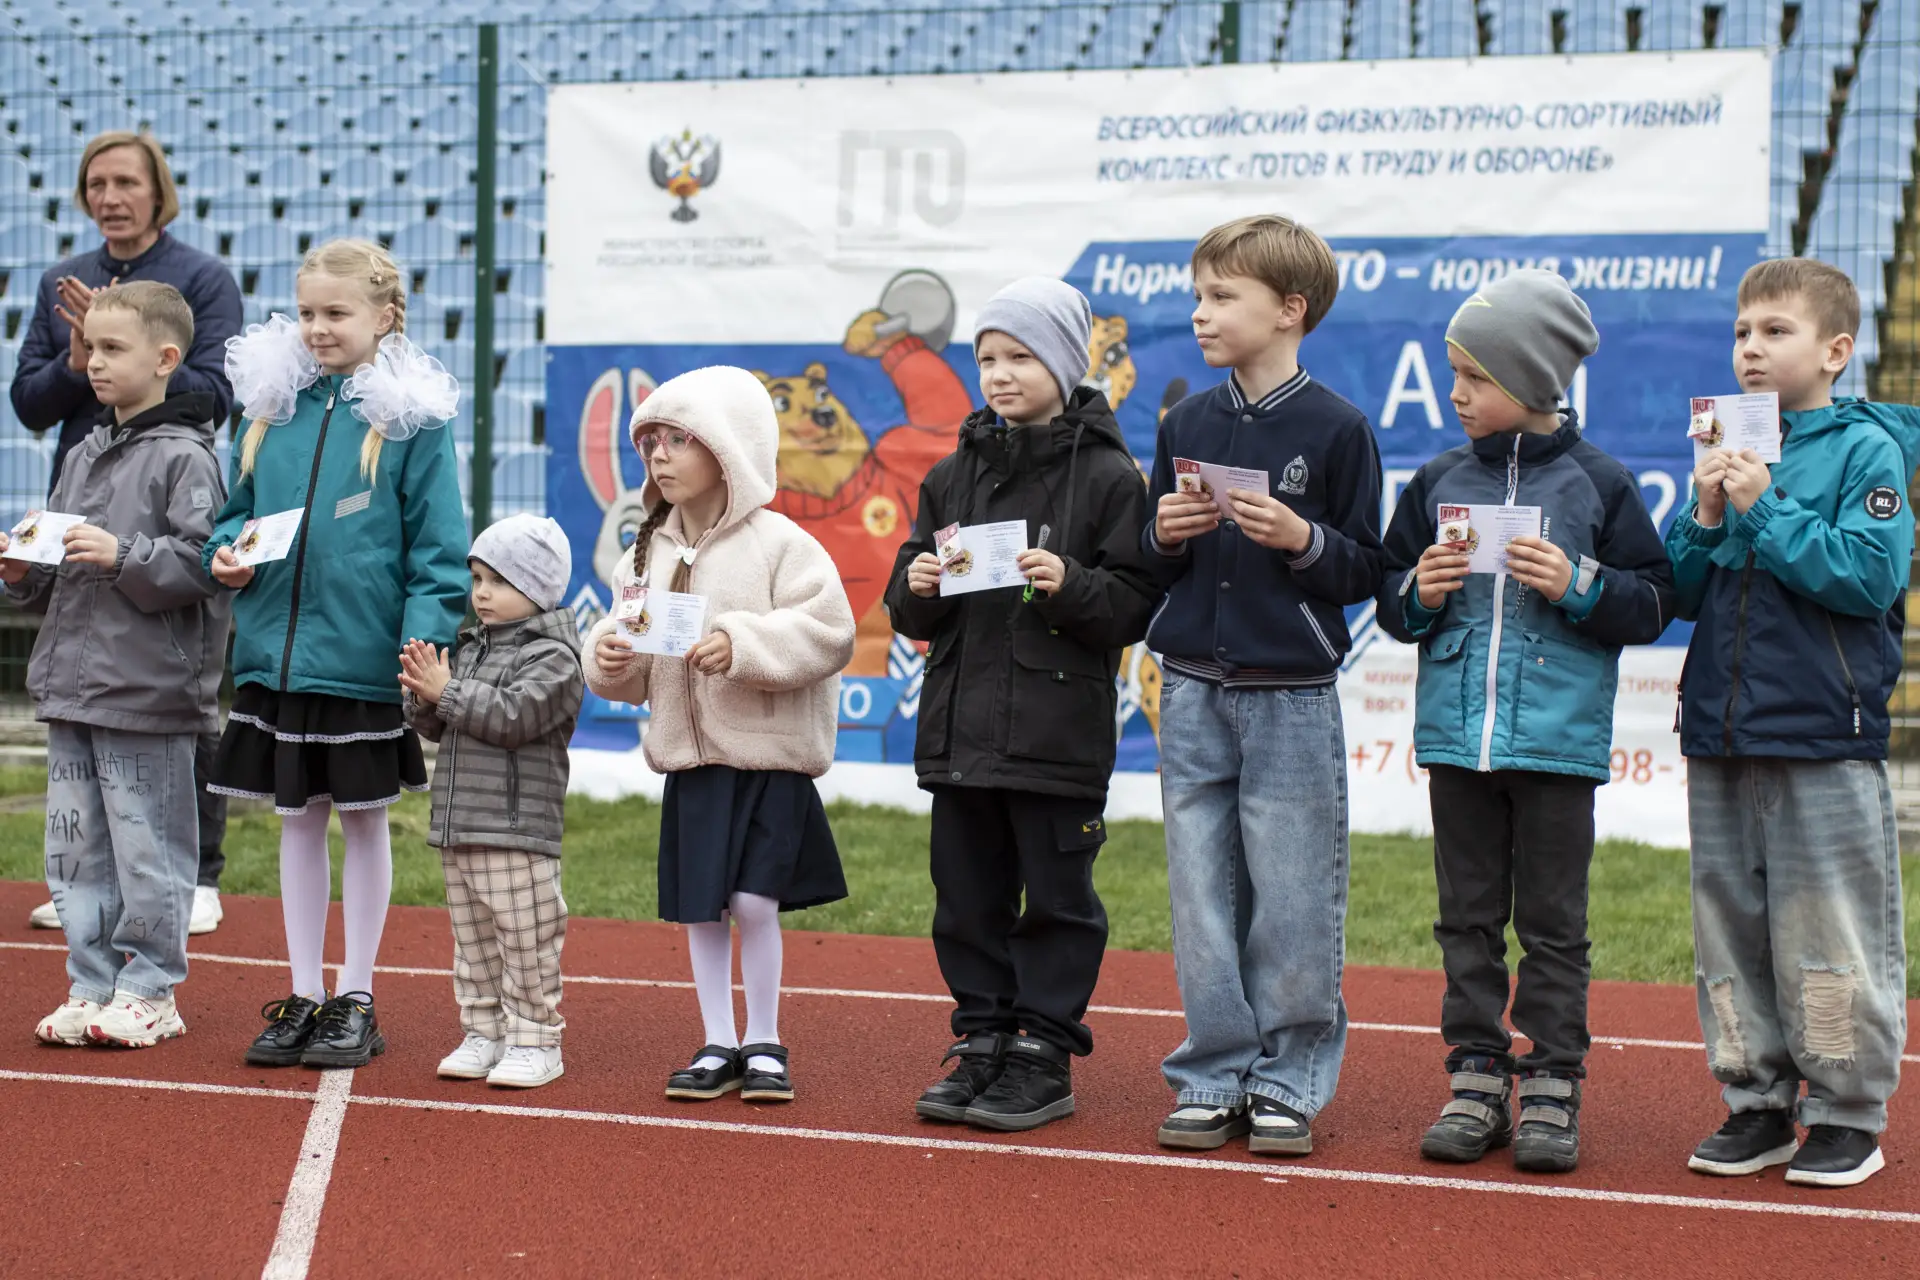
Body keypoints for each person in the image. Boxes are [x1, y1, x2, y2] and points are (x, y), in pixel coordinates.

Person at [1375, 270, 1674, 1173]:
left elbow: (1654, 603)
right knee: (1465, 920)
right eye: (1452, 374)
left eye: (1475, 376)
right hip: (1456, 746)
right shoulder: (1437, 478)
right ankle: (1475, 1078)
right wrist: (1419, 593)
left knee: (1553, 925)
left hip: (1556, 748)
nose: (1455, 393)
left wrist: (1580, 585)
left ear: (1534, 379)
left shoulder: (1601, 483)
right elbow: (1391, 602)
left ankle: (1551, 1084)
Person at [883, 277, 1158, 1132]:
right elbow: (909, 608)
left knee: (1059, 902)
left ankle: (1042, 1053)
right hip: (961, 737)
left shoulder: (1110, 477)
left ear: (1067, 364)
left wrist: (1071, 584)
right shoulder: (951, 475)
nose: (1000, 374)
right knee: (966, 899)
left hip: (1057, 737)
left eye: (1021, 357)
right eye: (987, 358)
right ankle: (983, 1040)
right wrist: (916, 584)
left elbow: (1134, 605)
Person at [1669, 258, 1918, 1189]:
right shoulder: (1727, 442)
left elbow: (1869, 577)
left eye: (1776, 331)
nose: (1751, 348)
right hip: (1721, 730)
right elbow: (1679, 593)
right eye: (1742, 331)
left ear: (1835, 351)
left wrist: (1763, 505)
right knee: (1729, 930)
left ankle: (1847, 1114)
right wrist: (1704, 513)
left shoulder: (1866, 452)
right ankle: (1756, 1102)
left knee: (1829, 933)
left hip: (1822, 733)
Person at [1144, 214, 1384, 1157]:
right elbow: (1153, 560)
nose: (1200, 314)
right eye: (1198, 296)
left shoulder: (1338, 428)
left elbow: (1366, 567)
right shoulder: (1185, 423)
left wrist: (1302, 539)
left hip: (1290, 693)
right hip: (1190, 689)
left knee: (1292, 895)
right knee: (1200, 894)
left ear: (1290, 310)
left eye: (1221, 297)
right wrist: (1164, 533)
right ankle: (1212, 1072)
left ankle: (1289, 1077)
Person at [205, 238, 468, 1070]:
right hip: (276, 659)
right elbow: (235, 514)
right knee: (297, 821)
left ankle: (355, 995)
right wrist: (224, 553)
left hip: (363, 661)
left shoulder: (413, 420)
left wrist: (418, 646)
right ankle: (303, 994)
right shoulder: (270, 409)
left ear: (384, 317)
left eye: (336, 313)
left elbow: (439, 552)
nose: (317, 328)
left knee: (361, 821)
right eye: (306, 312)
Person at [583, 365, 855, 1105]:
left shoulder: (782, 544)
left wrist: (741, 643)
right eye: (650, 443)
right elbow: (630, 656)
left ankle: (763, 1041)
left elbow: (829, 631)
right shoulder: (645, 554)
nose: (659, 455)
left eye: (678, 439)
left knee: (756, 903)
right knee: (702, 908)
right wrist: (609, 657)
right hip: (691, 763)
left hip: (769, 760)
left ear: (730, 448)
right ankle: (717, 1042)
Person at [14, 131, 242, 938]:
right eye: (96, 184)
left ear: (158, 191)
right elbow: (30, 402)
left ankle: (198, 873)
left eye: (125, 182)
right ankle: (94, 881)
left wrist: (131, 345)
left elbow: (214, 392)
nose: (109, 197)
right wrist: (79, 359)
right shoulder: (58, 280)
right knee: (93, 683)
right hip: (82, 482)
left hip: (157, 491)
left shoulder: (201, 278)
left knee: (170, 686)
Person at [4, 282, 229, 1047]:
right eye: (87, 348)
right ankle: (91, 982)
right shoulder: (81, 452)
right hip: (71, 689)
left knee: (147, 848)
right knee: (74, 850)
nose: (92, 363)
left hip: (147, 693)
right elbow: (53, 571)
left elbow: (207, 563)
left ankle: (152, 989)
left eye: (110, 349)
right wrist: (22, 570)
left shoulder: (188, 457)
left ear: (165, 359)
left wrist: (125, 552)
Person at [402, 514, 584, 1090]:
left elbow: (513, 717)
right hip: (460, 824)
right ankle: (484, 1032)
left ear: (537, 587)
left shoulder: (555, 658)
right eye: (478, 578)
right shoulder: (473, 647)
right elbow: (445, 724)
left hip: (516, 829)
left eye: (499, 581)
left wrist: (447, 691)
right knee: (473, 944)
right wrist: (423, 699)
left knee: (526, 940)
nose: (481, 592)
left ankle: (536, 1039)